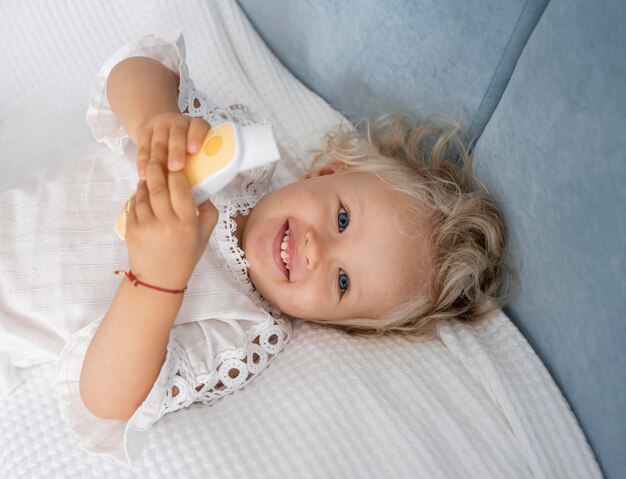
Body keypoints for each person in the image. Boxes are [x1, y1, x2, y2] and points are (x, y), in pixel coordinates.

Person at [1, 33, 511, 466]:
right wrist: (156, 121)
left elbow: (107, 404)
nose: (316, 251)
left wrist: (156, 281)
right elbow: (134, 66)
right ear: (324, 173)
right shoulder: (235, 156)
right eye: (341, 219)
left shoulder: (243, 331)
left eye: (342, 282)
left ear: (336, 325)